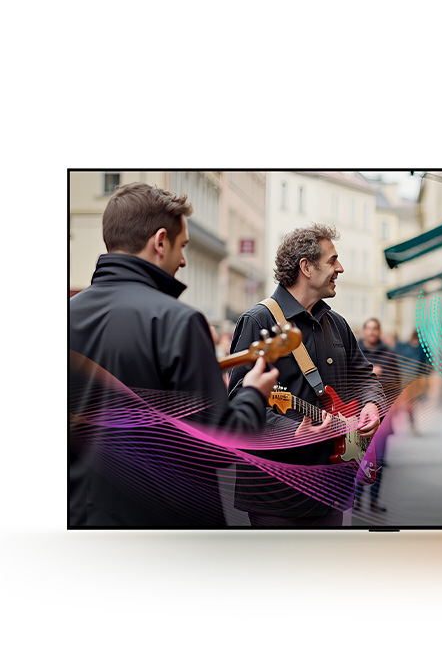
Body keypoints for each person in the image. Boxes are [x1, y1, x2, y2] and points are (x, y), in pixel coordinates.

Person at [69, 182, 278, 528]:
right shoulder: (178, 321)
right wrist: (254, 394)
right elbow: (216, 448)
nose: (182, 260)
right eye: (182, 247)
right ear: (160, 241)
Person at [228, 225, 385, 528]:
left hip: (331, 488)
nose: (340, 268)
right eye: (332, 261)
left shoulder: (336, 323)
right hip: (277, 493)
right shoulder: (258, 321)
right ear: (306, 267)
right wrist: (291, 432)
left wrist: (370, 405)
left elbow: (365, 377)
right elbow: (238, 404)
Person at [354, 318, 401, 514]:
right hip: (356, 416)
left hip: (382, 417)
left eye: (375, 329)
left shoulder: (388, 354)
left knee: (378, 461)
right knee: (356, 459)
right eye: (369, 329)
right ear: (364, 331)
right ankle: (355, 499)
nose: (372, 332)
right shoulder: (354, 352)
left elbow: (397, 383)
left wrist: (382, 377)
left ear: (379, 331)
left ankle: (373, 501)